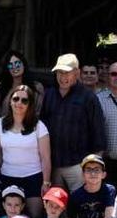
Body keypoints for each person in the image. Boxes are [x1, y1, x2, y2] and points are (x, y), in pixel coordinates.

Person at [41, 53, 106, 192]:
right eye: (59, 72)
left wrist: (94, 167)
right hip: (54, 165)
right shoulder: (49, 95)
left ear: (77, 73)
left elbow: (98, 132)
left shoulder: (88, 97)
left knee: (81, 206)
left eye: (67, 72)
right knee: (56, 210)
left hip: (79, 165)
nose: (62, 77)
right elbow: (42, 129)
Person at [0, 85, 52, 218]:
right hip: (8, 177)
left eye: (24, 100)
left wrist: (46, 182)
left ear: (30, 104)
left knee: (34, 217)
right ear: (10, 101)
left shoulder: (39, 126)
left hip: (33, 177)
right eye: (16, 99)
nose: (19, 103)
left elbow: (46, 157)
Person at [0, 50, 44, 117]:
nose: (14, 67)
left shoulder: (36, 87)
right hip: (3, 125)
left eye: (17, 63)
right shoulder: (0, 87)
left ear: (23, 64)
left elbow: (37, 112)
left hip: (28, 126)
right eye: (10, 65)